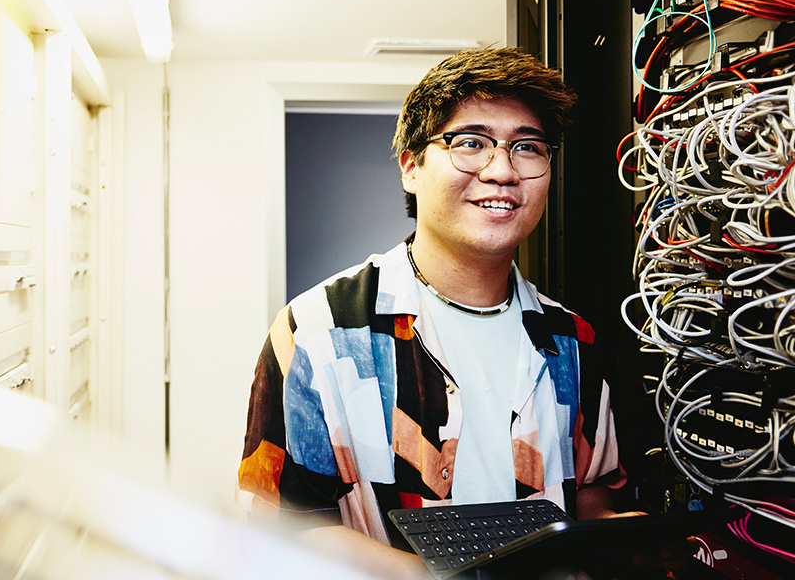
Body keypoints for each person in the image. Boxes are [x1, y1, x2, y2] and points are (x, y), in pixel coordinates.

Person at [238, 48, 695, 579]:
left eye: (527, 147)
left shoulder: (573, 341)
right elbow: (282, 527)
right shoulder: (319, 333)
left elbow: (589, 489)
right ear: (411, 167)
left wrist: (619, 535)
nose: (501, 171)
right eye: (471, 143)